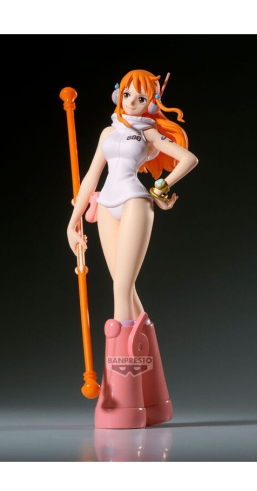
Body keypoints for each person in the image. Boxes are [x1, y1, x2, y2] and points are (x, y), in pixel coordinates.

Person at [66, 69, 198, 428]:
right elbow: (91, 177)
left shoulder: (150, 132)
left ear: (152, 102)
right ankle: (154, 400)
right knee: (125, 290)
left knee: (120, 291)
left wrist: (161, 187)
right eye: (127, 95)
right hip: (106, 206)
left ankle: (123, 402)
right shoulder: (107, 132)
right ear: (117, 95)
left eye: (142, 98)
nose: (132, 103)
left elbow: (188, 159)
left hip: (136, 203)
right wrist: (72, 223)